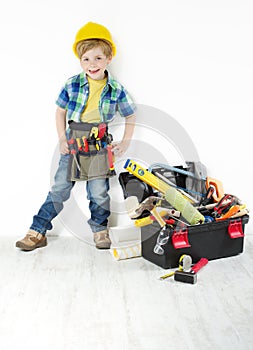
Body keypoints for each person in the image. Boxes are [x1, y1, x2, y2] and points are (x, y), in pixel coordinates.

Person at [16, 22, 136, 251]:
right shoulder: (72, 84)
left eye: (98, 58)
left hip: (99, 144)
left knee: (99, 191)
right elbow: (60, 112)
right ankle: (37, 231)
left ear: (109, 58)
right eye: (87, 59)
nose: (92, 64)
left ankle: (100, 231)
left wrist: (126, 141)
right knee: (60, 188)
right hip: (72, 142)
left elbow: (131, 114)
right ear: (80, 60)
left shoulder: (116, 89)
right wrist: (62, 139)